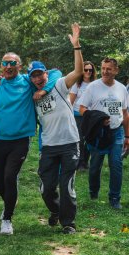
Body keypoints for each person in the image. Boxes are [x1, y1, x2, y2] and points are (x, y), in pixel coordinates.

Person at [0, 52, 61, 235]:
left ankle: (7, 218)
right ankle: (10, 201)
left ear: (19, 66)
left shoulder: (27, 82)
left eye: (12, 63)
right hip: (0, 140)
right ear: (1, 66)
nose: (8, 66)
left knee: (10, 177)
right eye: (5, 63)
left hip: (21, 140)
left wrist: (43, 90)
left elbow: (56, 73)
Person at [30, 23, 83, 234]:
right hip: (49, 147)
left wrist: (76, 45)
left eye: (40, 74)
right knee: (46, 188)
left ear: (46, 73)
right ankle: (55, 210)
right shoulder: (31, 98)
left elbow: (79, 71)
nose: (38, 78)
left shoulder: (60, 84)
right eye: (33, 76)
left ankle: (68, 223)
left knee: (67, 184)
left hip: (70, 143)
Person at [79, 57, 129, 209]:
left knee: (116, 164)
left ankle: (114, 198)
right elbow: (81, 109)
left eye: (109, 68)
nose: (105, 71)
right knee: (95, 166)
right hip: (98, 133)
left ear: (116, 70)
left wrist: (127, 136)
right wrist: (98, 119)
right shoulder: (93, 87)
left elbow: (125, 113)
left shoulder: (122, 88)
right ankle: (93, 191)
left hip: (117, 132)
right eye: (103, 68)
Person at [69, 61, 97, 170]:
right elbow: (70, 101)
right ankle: (80, 162)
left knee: (90, 139)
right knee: (80, 139)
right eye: (86, 70)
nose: (88, 72)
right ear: (82, 71)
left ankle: (85, 161)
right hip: (78, 115)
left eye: (90, 70)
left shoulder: (96, 84)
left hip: (91, 116)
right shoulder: (77, 84)